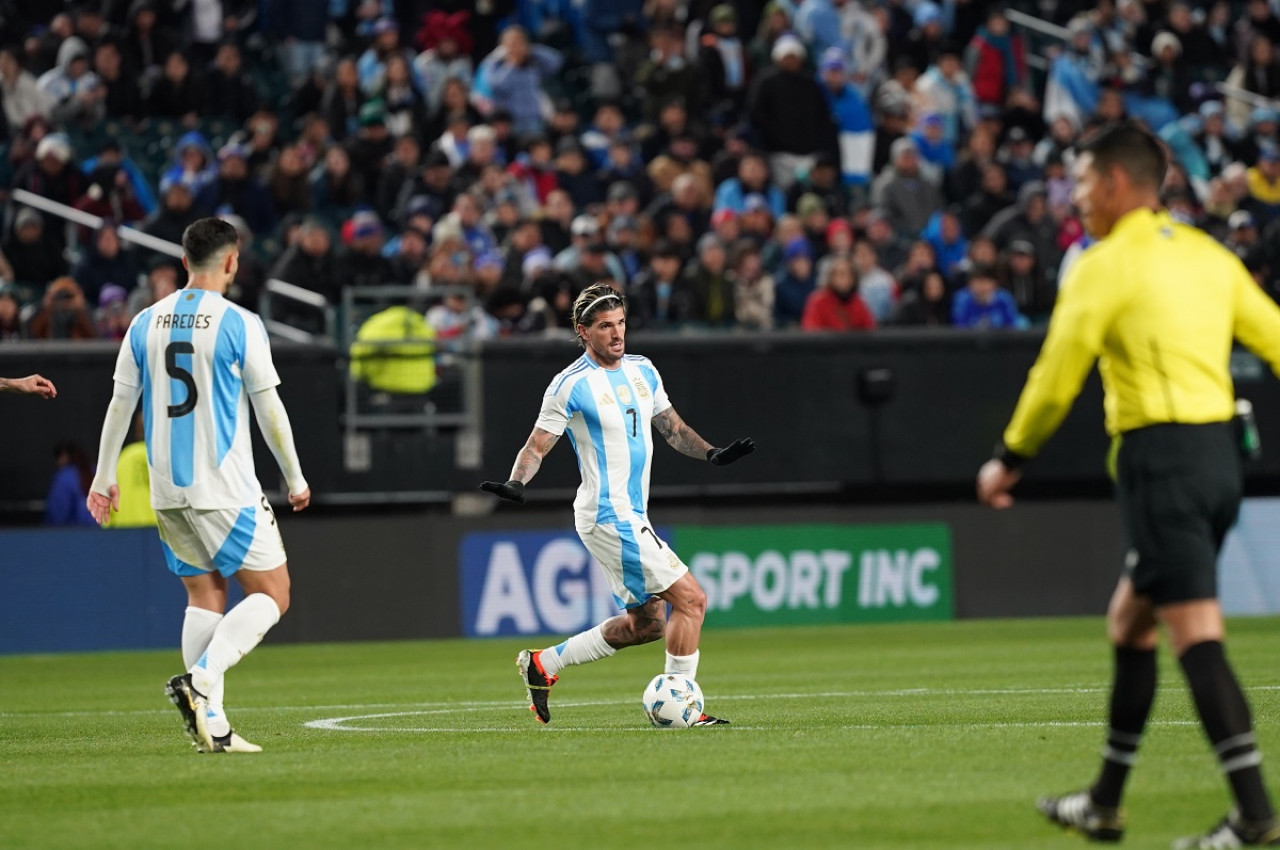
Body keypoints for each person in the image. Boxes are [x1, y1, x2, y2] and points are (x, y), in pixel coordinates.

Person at [976, 122, 1280, 848]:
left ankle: (1255, 815)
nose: (1074, 197)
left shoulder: (1102, 265)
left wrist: (1010, 455)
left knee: (1195, 634)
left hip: (1160, 464)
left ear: (1115, 182)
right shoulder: (1210, 256)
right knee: (1129, 622)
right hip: (1219, 463)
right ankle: (1105, 803)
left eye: (1081, 181)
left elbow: (1057, 374)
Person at [481, 282, 755, 726]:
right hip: (608, 514)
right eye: (605, 325)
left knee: (648, 625)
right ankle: (686, 706)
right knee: (693, 600)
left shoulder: (644, 370)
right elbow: (537, 445)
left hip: (631, 513)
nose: (616, 333)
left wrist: (711, 452)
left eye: (621, 323)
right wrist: (516, 480)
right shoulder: (569, 384)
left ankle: (544, 663)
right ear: (582, 331)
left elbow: (672, 428)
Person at [85, 218, 310, 755]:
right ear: (232, 262)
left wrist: (103, 475)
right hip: (225, 486)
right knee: (272, 594)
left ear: (184, 263)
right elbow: (268, 406)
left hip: (168, 491)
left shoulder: (144, 322)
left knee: (205, 594)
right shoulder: (240, 322)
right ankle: (202, 681)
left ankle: (215, 726)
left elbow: (121, 403)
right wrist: (295, 476)